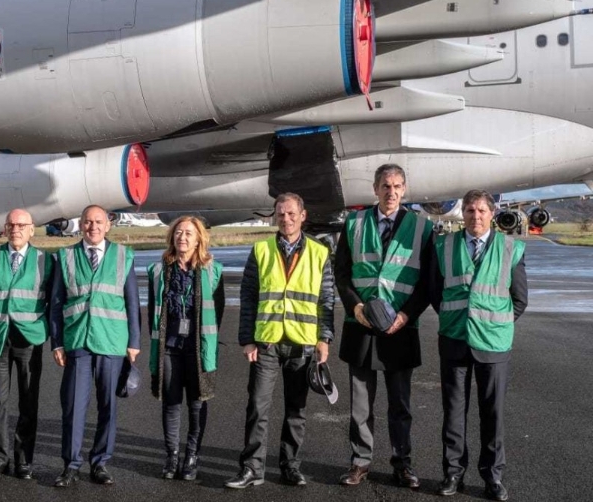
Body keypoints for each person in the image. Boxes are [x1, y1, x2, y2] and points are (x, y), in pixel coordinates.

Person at [224, 193, 335, 489]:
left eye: (290, 213)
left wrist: (324, 338)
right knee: (258, 407)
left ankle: (290, 466)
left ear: (302, 215)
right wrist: (247, 339)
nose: (285, 219)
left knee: (296, 411)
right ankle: (251, 468)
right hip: (267, 344)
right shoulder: (260, 250)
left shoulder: (319, 251)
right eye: (280, 214)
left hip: (302, 344)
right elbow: (247, 297)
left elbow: (326, 300)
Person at [334, 164, 434, 488]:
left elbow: (428, 283)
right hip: (361, 325)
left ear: (404, 189)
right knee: (360, 406)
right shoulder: (354, 223)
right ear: (375, 188)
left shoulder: (422, 228)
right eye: (385, 186)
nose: (391, 192)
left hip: (401, 328)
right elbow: (342, 274)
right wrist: (357, 306)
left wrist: (406, 316)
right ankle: (359, 463)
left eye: (397, 186)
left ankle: (402, 465)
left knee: (400, 406)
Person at [430, 190, 527, 502]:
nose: (475, 216)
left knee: (493, 414)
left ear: (492, 213)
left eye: (481, 210)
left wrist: (494, 324)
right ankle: (453, 472)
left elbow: (520, 299)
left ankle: (493, 477)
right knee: (453, 413)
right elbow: (435, 292)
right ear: (463, 214)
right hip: (455, 339)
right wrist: (456, 317)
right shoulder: (443, 245)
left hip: (493, 344)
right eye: (470, 210)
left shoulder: (511, 247)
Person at [50, 205, 141, 487]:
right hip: (77, 340)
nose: (93, 227)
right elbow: (55, 303)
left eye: (98, 222)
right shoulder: (64, 256)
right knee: (74, 406)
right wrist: (57, 342)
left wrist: (134, 341)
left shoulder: (124, 256)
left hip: (111, 341)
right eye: (88, 222)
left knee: (108, 406)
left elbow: (132, 302)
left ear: (108, 225)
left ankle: (100, 463)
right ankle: (71, 465)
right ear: (81, 225)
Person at [0, 209, 52, 481]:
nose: (16, 229)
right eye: (11, 224)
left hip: (29, 340)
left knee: (29, 403)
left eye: (21, 225)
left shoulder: (45, 260)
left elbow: (55, 303)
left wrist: (52, 338)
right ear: (4, 229)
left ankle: (24, 461)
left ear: (32, 229)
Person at [147, 216, 225, 481]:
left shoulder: (213, 270)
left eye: (188, 233)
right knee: (170, 404)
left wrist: (207, 344)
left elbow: (219, 311)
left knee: (197, 403)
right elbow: (152, 314)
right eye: (178, 232)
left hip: (197, 348)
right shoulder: (158, 270)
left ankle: (192, 456)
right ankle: (171, 456)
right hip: (169, 347)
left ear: (199, 239)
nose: (182, 237)